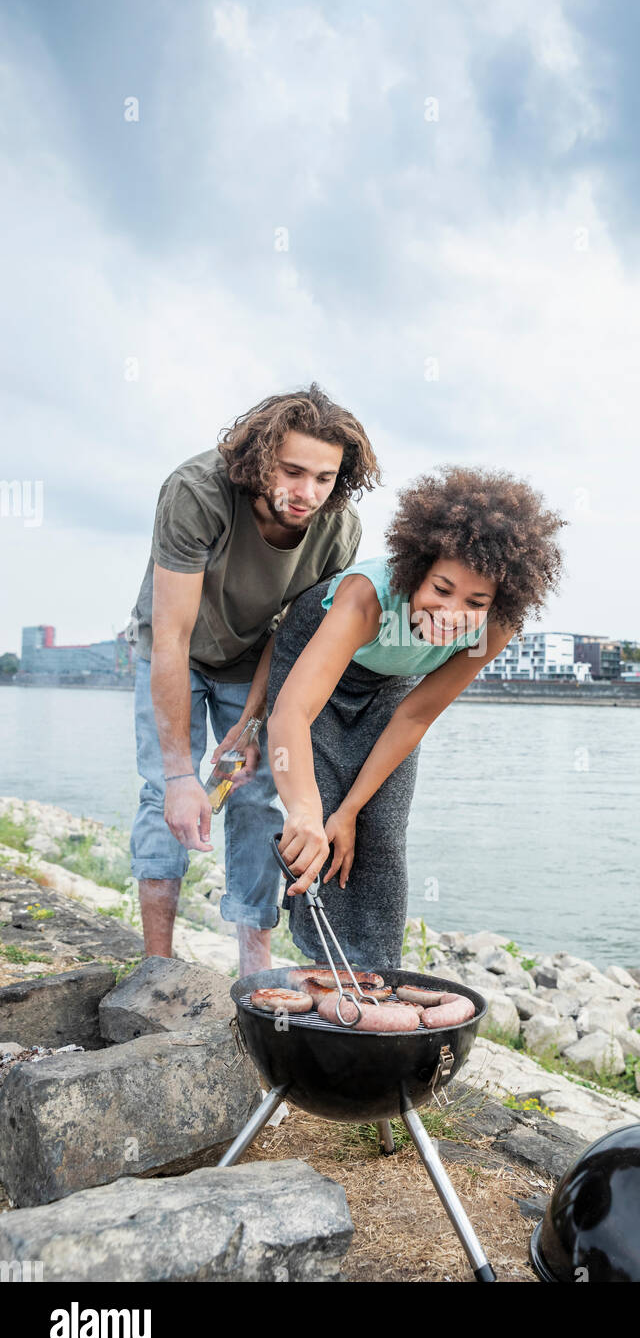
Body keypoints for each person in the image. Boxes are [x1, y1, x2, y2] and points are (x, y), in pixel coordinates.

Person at [266, 465, 566, 970]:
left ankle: (374, 974)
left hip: (389, 683)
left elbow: (413, 717)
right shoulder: (367, 599)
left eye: (475, 601)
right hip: (313, 660)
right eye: (441, 589)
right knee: (315, 812)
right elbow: (292, 712)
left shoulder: (497, 627)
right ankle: (320, 970)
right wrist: (305, 809)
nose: (451, 613)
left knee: (378, 831)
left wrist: (352, 810)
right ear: (416, 571)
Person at [128, 384, 380, 975]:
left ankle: (253, 964)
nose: (307, 494)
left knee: (258, 796)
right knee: (165, 793)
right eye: (293, 472)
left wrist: (250, 725)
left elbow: (292, 637)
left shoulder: (338, 529)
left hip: (255, 661)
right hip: (175, 652)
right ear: (261, 456)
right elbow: (171, 637)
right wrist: (178, 774)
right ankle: (156, 963)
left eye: (324, 478)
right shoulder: (197, 491)